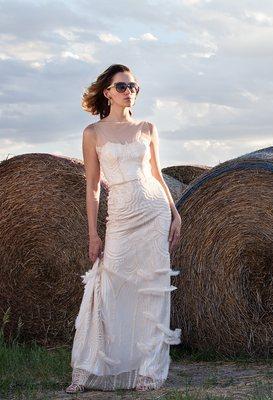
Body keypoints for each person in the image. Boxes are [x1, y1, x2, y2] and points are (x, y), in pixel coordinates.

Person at [65, 64, 182, 393]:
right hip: (120, 215)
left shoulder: (147, 127)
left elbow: (157, 174)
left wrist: (175, 213)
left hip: (154, 211)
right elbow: (92, 187)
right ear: (107, 92)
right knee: (109, 285)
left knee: (153, 287)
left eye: (133, 86)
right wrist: (93, 233)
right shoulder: (93, 133)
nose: (129, 90)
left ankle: (148, 370)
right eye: (122, 86)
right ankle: (90, 369)